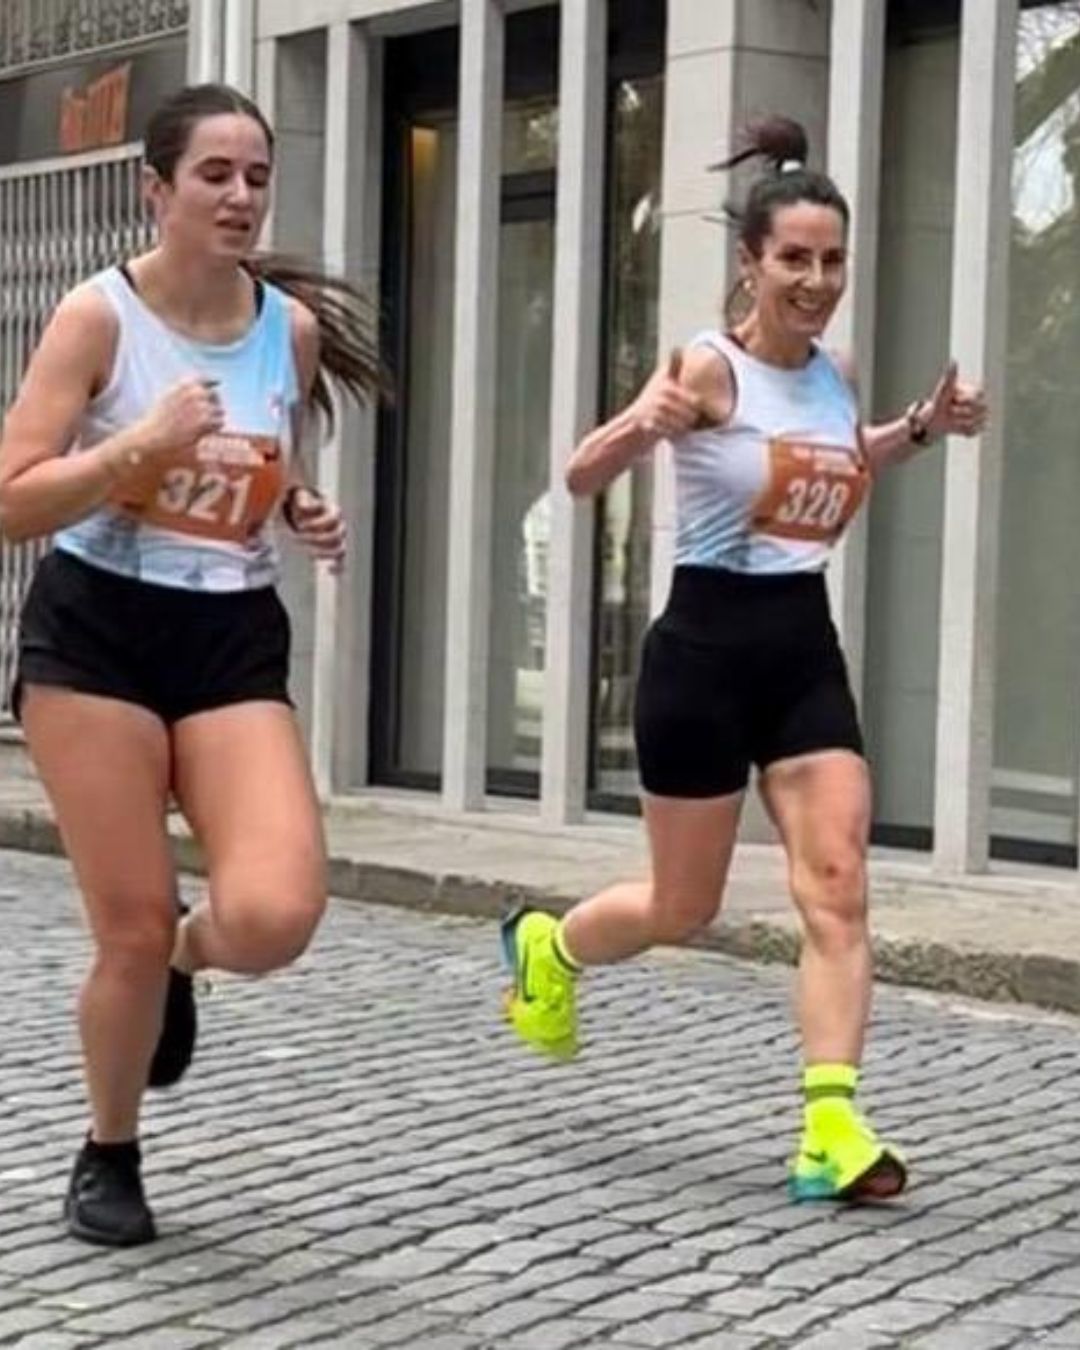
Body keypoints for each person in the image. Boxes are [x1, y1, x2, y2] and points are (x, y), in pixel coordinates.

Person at [500, 117, 987, 1203]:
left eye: (832, 260)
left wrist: (920, 427)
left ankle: (830, 1130)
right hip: (703, 658)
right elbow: (580, 476)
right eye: (794, 259)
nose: (817, 282)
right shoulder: (705, 366)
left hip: (802, 651)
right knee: (683, 907)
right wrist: (644, 421)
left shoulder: (835, 370)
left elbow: (834, 461)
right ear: (752, 263)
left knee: (839, 885)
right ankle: (549, 947)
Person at [0, 83, 380, 1246]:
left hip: (228, 638)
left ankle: (181, 955)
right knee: (122, 923)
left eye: (257, 176)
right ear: (156, 189)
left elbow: (261, 463)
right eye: (215, 174)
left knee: (274, 915)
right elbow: (13, 500)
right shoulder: (98, 318)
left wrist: (300, 506)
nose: (240, 196)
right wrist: (134, 447)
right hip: (97, 638)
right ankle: (109, 1151)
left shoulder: (288, 331)